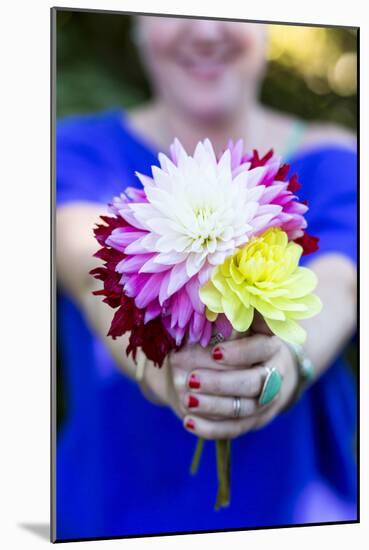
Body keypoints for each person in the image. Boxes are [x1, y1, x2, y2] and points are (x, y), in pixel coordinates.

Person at [56, 17, 357, 540]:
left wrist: (283, 360)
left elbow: (340, 283)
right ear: (136, 25)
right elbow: (89, 268)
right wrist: (159, 371)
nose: (207, 27)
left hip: (298, 517)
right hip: (107, 514)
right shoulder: (74, 149)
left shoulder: (334, 156)